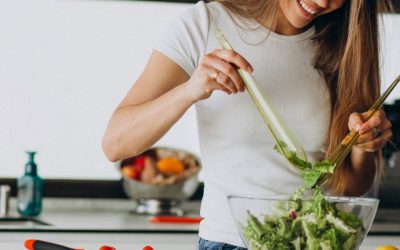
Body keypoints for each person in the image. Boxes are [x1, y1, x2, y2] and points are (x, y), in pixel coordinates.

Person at [102, 0, 393, 249]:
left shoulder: (346, 45)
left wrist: (364, 145)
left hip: (315, 240)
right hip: (230, 241)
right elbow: (116, 143)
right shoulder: (206, 23)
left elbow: (351, 186)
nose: (321, 1)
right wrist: (190, 90)